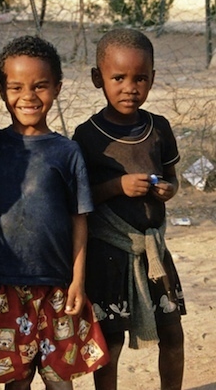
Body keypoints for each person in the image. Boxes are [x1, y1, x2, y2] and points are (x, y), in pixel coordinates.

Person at [0, 36, 109, 390]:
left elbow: (80, 219)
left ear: (57, 88)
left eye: (40, 86)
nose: (28, 96)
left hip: (57, 287)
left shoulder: (67, 152)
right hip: (4, 284)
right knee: (17, 380)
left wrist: (78, 281)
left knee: (59, 379)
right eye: (16, 87)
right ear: (2, 91)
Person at [72, 28, 186, 390]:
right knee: (111, 342)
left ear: (152, 78)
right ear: (98, 78)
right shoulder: (87, 136)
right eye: (118, 78)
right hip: (109, 254)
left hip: (154, 251)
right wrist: (116, 186)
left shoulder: (158, 128)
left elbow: (172, 177)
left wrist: (168, 190)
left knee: (173, 334)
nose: (130, 88)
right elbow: (78, 198)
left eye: (140, 78)